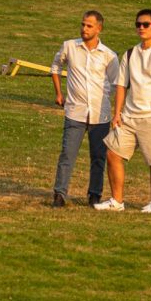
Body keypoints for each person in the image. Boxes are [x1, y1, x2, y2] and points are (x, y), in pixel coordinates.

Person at [94, 9, 151, 214]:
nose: (141, 28)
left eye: (146, 24)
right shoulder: (130, 53)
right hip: (129, 116)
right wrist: (117, 113)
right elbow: (120, 85)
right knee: (113, 154)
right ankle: (117, 201)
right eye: (138, 25)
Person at [51, 11, 118, 208]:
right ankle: (59, 193)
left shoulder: (109, 55)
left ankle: (94, 194)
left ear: (99, 29)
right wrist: (58, 93)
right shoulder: (70, 46)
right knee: (67, 154)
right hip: (75, 111)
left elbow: (116, 83)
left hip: (100, 113)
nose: (84, 29)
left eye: (89, 26)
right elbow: (55, 66)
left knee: (98, 157)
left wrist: (105, 95)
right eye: (82, 25)